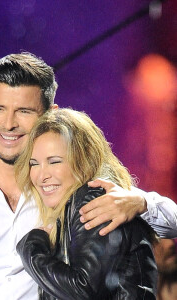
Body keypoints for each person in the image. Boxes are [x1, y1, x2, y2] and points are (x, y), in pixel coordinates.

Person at [0, 52, 177, 300]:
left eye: (24, 111)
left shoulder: (64, 185)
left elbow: (171, 225)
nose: (9, 124)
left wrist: (141, 203)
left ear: (50, 114)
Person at [16, 108, 158, 299]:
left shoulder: (94, 199)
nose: (41, 176)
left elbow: (83, 291)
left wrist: (31, 250)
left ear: (84, 161)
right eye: (34, 163)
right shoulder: (70, 209)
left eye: (54, 161)